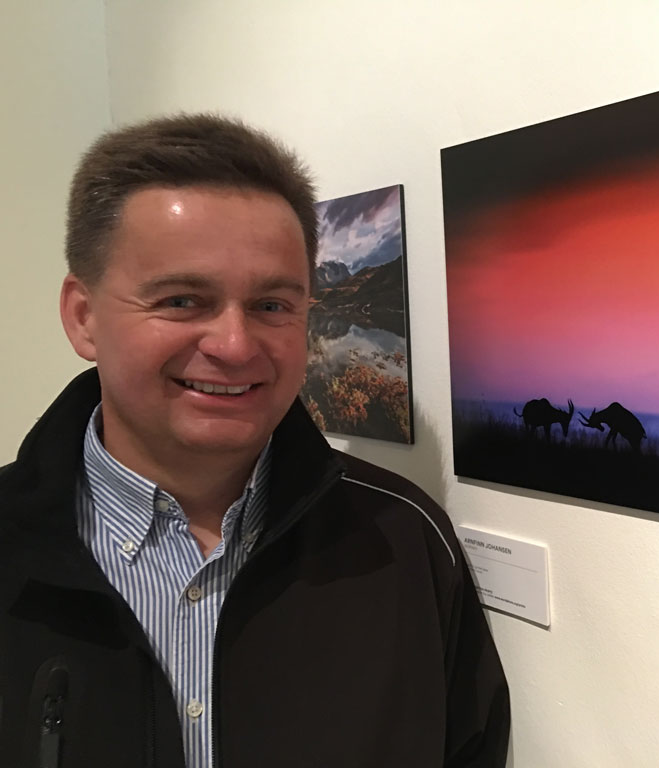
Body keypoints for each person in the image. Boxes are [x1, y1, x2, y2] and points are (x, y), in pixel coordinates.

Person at [0, 114, 509, 768]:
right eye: (183, 300)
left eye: (272, 305)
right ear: (84, 317)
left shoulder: (405, 545)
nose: (235, 346)